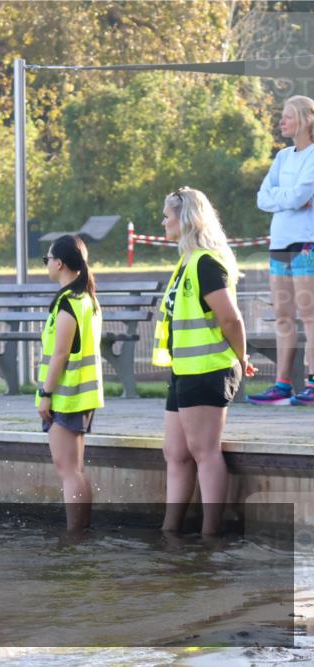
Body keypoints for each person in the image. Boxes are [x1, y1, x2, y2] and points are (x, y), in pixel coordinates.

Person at [154, 188, 255, 536]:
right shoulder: (185, 262)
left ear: (185, 219)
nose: (163, 221)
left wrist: (242, 358)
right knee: (176, 452)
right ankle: (171, 532)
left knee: (203, 451)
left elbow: (231, 319)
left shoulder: (205, 262)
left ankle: (212, 535)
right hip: (183, 370)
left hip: (208, 369)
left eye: (167, 215)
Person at [249, 95, 314, 406]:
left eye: (287, 116)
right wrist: (291, 199)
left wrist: (287, 197)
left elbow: (303, 193)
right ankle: (283, 384)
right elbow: (263, 198)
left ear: (303, 119)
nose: (281, 122)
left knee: (310, 315)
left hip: (306, 244)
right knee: (283, 316)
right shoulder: (282, 157)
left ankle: (313, 381)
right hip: (279, 244)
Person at [36, 235, 103, 532]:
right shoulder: (86, 298)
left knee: (68, 471)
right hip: (80, 396)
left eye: (47, 259)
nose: (46, 265)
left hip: (67, 396)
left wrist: (45, 394)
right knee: (74, 470)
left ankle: (75, 537)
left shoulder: (68, 303)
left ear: (59, 263)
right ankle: (81, 534)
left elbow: (60, 354)